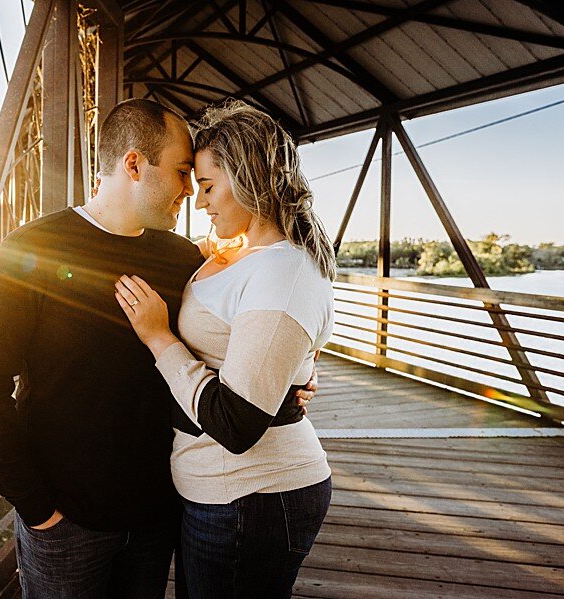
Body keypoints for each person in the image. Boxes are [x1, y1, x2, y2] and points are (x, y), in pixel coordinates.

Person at [0, 98, 316, 598]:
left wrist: (293, 380)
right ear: (134, 164)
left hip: (158, 516)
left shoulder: (179, 260)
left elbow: (240, 334)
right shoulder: (29, 251)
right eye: (181, 172)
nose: (190, 192)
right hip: (67, 524)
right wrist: (39, 510)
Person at [114, 100, 336, 599]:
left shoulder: (283, 271)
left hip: (254, 493)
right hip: (216, 490)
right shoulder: (244, 256)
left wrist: (158, 337)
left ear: (250, 176)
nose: (199, 201)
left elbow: (236, 424)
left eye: (209, 186)